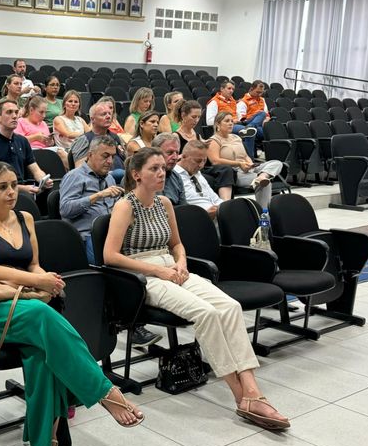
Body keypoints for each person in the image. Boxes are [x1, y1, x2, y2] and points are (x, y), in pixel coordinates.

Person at [0, 161, 144, 446]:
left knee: (41, 353)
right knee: (43, 315)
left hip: (22, 298)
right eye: (2, 187)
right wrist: (37, 282)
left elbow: (33, 264)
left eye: (13, 185)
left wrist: (47, 279)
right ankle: (104, 391)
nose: (11, 192)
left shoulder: (26, 218)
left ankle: (47, 442)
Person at [103, 148, 290, 431]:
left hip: (172, 266)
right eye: (154, 169)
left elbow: (177, 244)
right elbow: (110, 256)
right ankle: (240, 396)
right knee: (206, 313)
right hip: (143, 274)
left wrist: (180, 262)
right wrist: (159, 271)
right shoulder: (125, 206)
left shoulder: (164, 203)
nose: (161, 173)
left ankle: (252, 390)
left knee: (230, 307)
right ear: (136, 175)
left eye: (162, 168)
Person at [59, 135, 123, 264]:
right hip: (88, 237)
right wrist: (98, 196)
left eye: (112, 156)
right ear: (90, 155)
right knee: (111, 266)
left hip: (111, 233)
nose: (110, 161)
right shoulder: (74, 176)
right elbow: (65, 209)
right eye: (105, 156)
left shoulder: (109, 178)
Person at [208, 112, 283, 209]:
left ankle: (262, 176)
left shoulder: (236, 137)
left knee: (277, 163)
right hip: (234, 172)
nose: (231, 123)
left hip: (248, 168)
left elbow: (245, 155)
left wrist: (250, 164)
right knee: (266, 184)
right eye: (227, 121)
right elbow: (215, 161)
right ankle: (264, 213)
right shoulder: (213, 141)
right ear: (218, 124)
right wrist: (239, 164)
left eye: (232, 121)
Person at [0, 98, 54, 192]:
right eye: (9, 112)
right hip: (2, 192)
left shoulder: (22, 141)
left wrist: (44, 180)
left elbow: (35, 169)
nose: (14, 116)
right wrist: (22, 189)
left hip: (24, 188)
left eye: (16, 112)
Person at [206, 79, 259, 156]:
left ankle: (251, 127)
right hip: (227, 125)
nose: (231, 91)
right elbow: (209, 121)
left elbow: (238, 115)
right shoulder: (214, 102)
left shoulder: (233, 101)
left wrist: (240, 119)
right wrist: (230, 121)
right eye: (229, 88)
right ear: (222, 89)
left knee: (261, 114)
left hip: (239, 123)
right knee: (250, 133)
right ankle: (250, 159)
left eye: (233, 89)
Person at [14, 96, 70, 170]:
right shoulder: (21, 121)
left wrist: (50, 142)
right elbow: (18, 141)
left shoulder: (43, 123)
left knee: (62, 152)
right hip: (30, 152)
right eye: (41, 112)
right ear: (31, 110)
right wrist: (35, 137)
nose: (44, 116)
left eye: (45, 112)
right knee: (60, 152)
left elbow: (48, 143)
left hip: (46, 151)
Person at [69, 100, 123, 173]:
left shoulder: (115, 137)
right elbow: (80, 171)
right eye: (103, 114)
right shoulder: (84, 140)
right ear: (92, 119)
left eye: (110, 114)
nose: (108, 117)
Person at [175, 140, 223, 218]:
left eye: (204, 161)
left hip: (217, 216)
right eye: (198, 161)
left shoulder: (197, 173)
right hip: (196, 219)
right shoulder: (173, 176)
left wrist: (223, 208)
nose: (201, 165)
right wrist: (204, 214)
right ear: (183, 157)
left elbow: (215, 198)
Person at [152, 132, 187, 207]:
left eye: (177, 153)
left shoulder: (177, 177)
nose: (175, 157)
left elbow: (184, 208)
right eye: (169, 153)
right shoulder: (143, 177)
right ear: (155, 153)